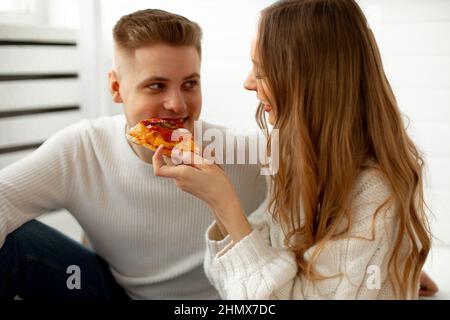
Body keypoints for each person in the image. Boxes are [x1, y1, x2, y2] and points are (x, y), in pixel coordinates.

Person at [152, 0, 434, 299]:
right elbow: (230, 281)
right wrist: (217, 201)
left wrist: (223, 202)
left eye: (262, 71)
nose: (248, 83)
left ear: (309, 81)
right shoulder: (297, 159)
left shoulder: (377, 196)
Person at [0, 9, 266, 300]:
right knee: (18, 241)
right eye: (156, 86)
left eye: (190, 83)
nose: (177, 105)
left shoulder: (241, 152)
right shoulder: (84, 147)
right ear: (116, 87)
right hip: (114, 295)